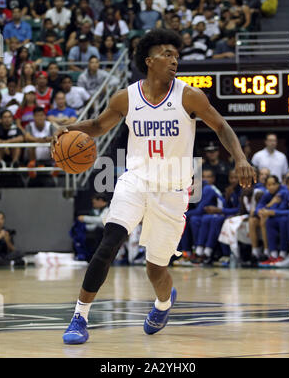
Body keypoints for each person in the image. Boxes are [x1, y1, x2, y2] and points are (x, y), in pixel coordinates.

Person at [51, 28, 255, 344]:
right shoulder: (126, 97)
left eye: (176, 55)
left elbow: (221, 126)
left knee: (155, 269)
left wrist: (240, 157)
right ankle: (79, 317)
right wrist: (67, 129)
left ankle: (163, 304)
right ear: (149, 60)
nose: (174, 60)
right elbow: (96, 126)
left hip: (173, 188)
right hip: (135, 180)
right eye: (167, 54)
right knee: (109, 244)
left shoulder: (189, 96)